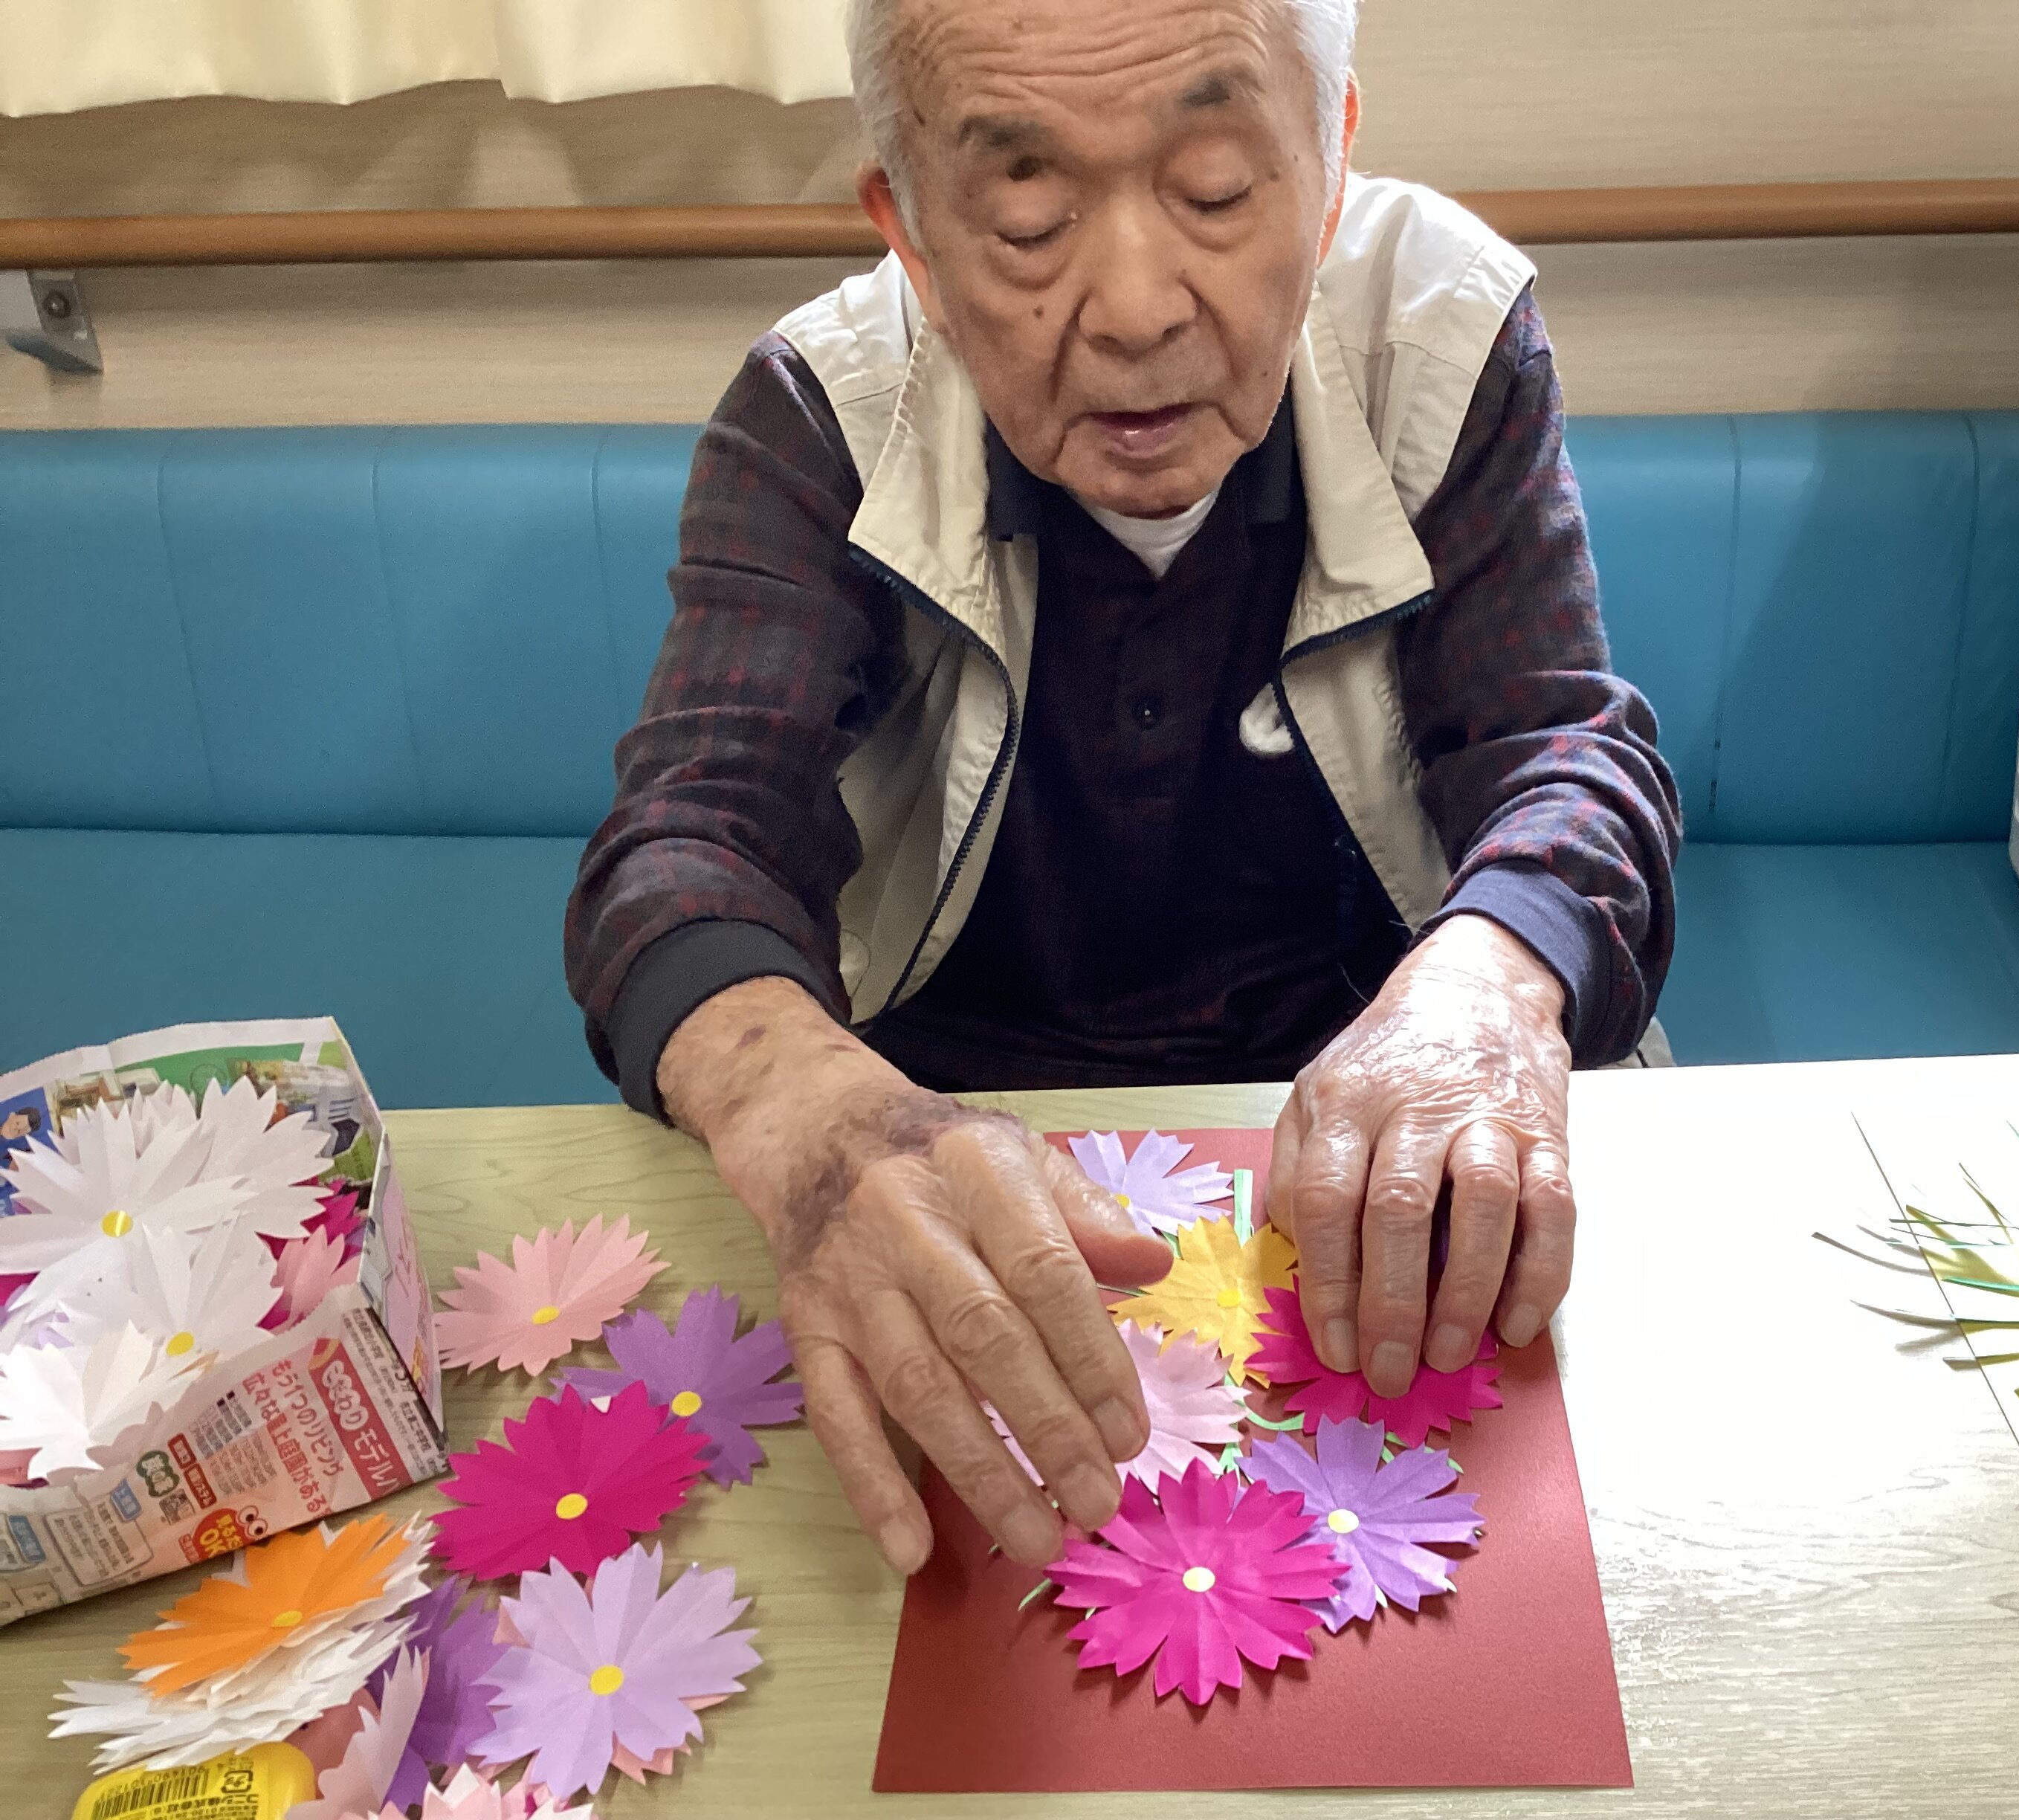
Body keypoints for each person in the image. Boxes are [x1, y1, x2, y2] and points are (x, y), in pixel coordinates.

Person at [565, 0, 1681, 1576]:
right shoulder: (825, 412)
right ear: (913, 235)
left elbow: (1563, 752)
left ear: (1332, 158)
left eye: (1217, 190)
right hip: (956, 1149)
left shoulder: (1438, 334)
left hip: (1365, 1125)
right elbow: (688, 841)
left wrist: (1486, 988)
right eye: (1028, 221)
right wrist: (812, 1118)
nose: (1139, 310)